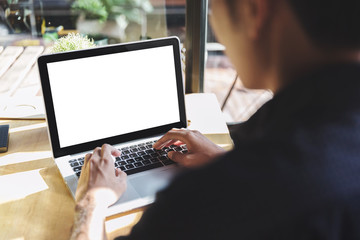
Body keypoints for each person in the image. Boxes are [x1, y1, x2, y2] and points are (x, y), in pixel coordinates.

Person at [70, 0, 360, 239]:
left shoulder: (209, 201)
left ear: (254, 11)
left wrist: (92, 201)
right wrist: (225, 161)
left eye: (213, 10)